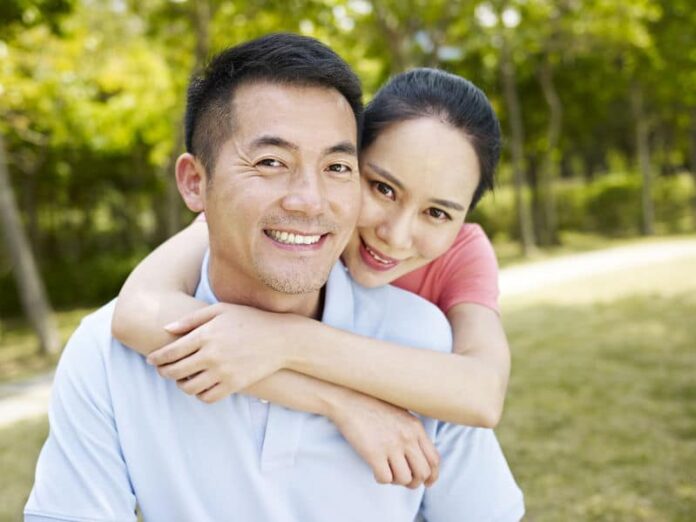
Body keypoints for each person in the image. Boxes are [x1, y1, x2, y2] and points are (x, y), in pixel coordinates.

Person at [26, 33, 524, 521]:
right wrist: (340, 400)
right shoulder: (107, 354)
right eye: (270, 162)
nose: (308, 199)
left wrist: (284, 339)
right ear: (196, 183)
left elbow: (481, 394)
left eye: (335, 166)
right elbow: (137, 314)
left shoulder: (426, 340)